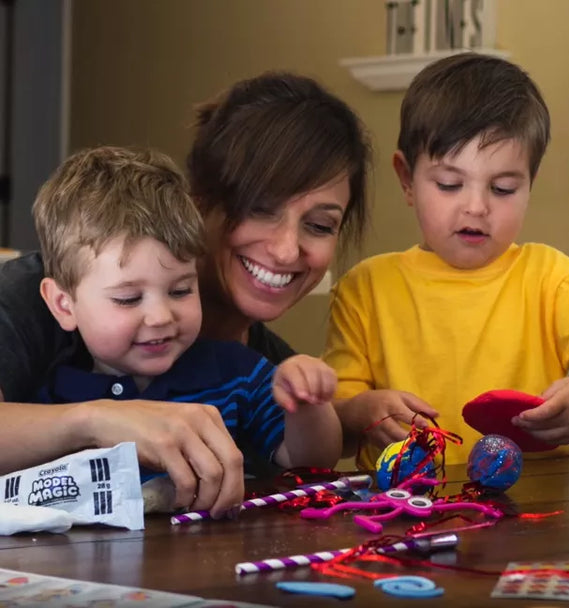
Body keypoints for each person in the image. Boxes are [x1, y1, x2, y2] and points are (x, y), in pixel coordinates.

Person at [0, 72, 370, 516]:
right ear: (199, 203)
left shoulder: (254, 369)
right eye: (259, 208)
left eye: (320, 225)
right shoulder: (31, 303)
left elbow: (311, 457)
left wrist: (337, 412)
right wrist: (95, 420)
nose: (287, 249)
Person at [324, 53, 569, 470]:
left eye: (502, 188)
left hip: (534, 513)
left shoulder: (551, 279)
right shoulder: (365, 289)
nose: (476, 207)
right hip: (402, 514)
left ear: (530, 184)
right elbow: (333, 427)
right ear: (406, 179)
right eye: (449, 184)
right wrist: (364, 411)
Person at [31, 146, 341, 483]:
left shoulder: (238, 372)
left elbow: (311, 461)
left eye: (180, 290)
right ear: (64, 304)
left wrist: (308, 405)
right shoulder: (55, 400)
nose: (161, 316)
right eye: (129, 298)